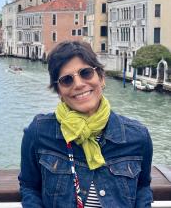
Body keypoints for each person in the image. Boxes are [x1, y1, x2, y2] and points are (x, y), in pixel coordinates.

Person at [18, 41, 153, 208]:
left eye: (86, 73)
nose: (79, 84)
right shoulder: (38, 133)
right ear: (59, 91)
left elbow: (142, 188)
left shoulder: (138, 137)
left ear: (101, 78)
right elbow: (29, 187)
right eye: (67, 80)